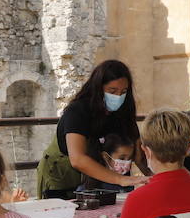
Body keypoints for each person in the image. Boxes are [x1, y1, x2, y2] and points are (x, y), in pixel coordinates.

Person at [35, 59, 149, 198]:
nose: (118, 96)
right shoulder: (78, 111)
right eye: (112, 91)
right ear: (98, 88)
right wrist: (121, 179)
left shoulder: (123, 112)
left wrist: (154, 178)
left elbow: (138, 155)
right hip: (63, 176)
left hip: (103, 180)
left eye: (123, 92)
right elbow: (78, 159)